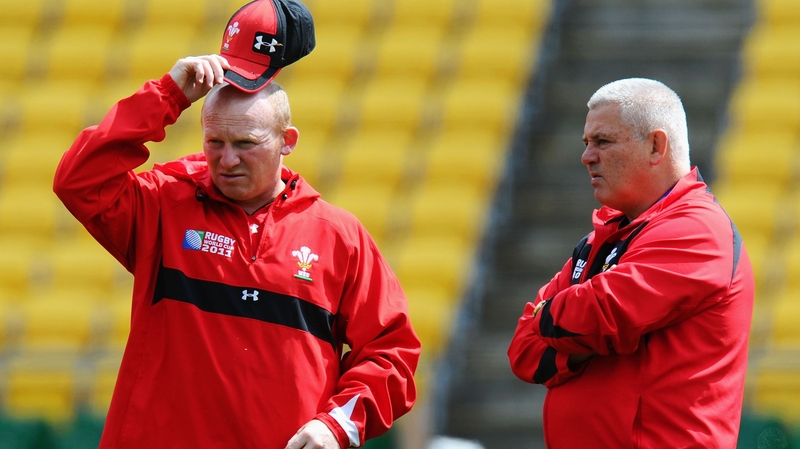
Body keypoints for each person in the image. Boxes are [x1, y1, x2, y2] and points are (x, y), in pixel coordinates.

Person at [53, 2, 420, 447]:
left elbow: (392, 353)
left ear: (287, 142)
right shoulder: (163, 206)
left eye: (245, 143)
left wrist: (337, 423)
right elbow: (79, 180)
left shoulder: (338, 236)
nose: (227, 160)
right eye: (215, 142)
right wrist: (168, 94)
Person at [507, 78, 754, 448]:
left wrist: (554, 319)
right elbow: (523, 351)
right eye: (586, 143)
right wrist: (577, 340)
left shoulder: (697, 228)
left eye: (603, 141)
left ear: (656, 146)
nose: (587, 156)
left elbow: (597, 316)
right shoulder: (602, 237)